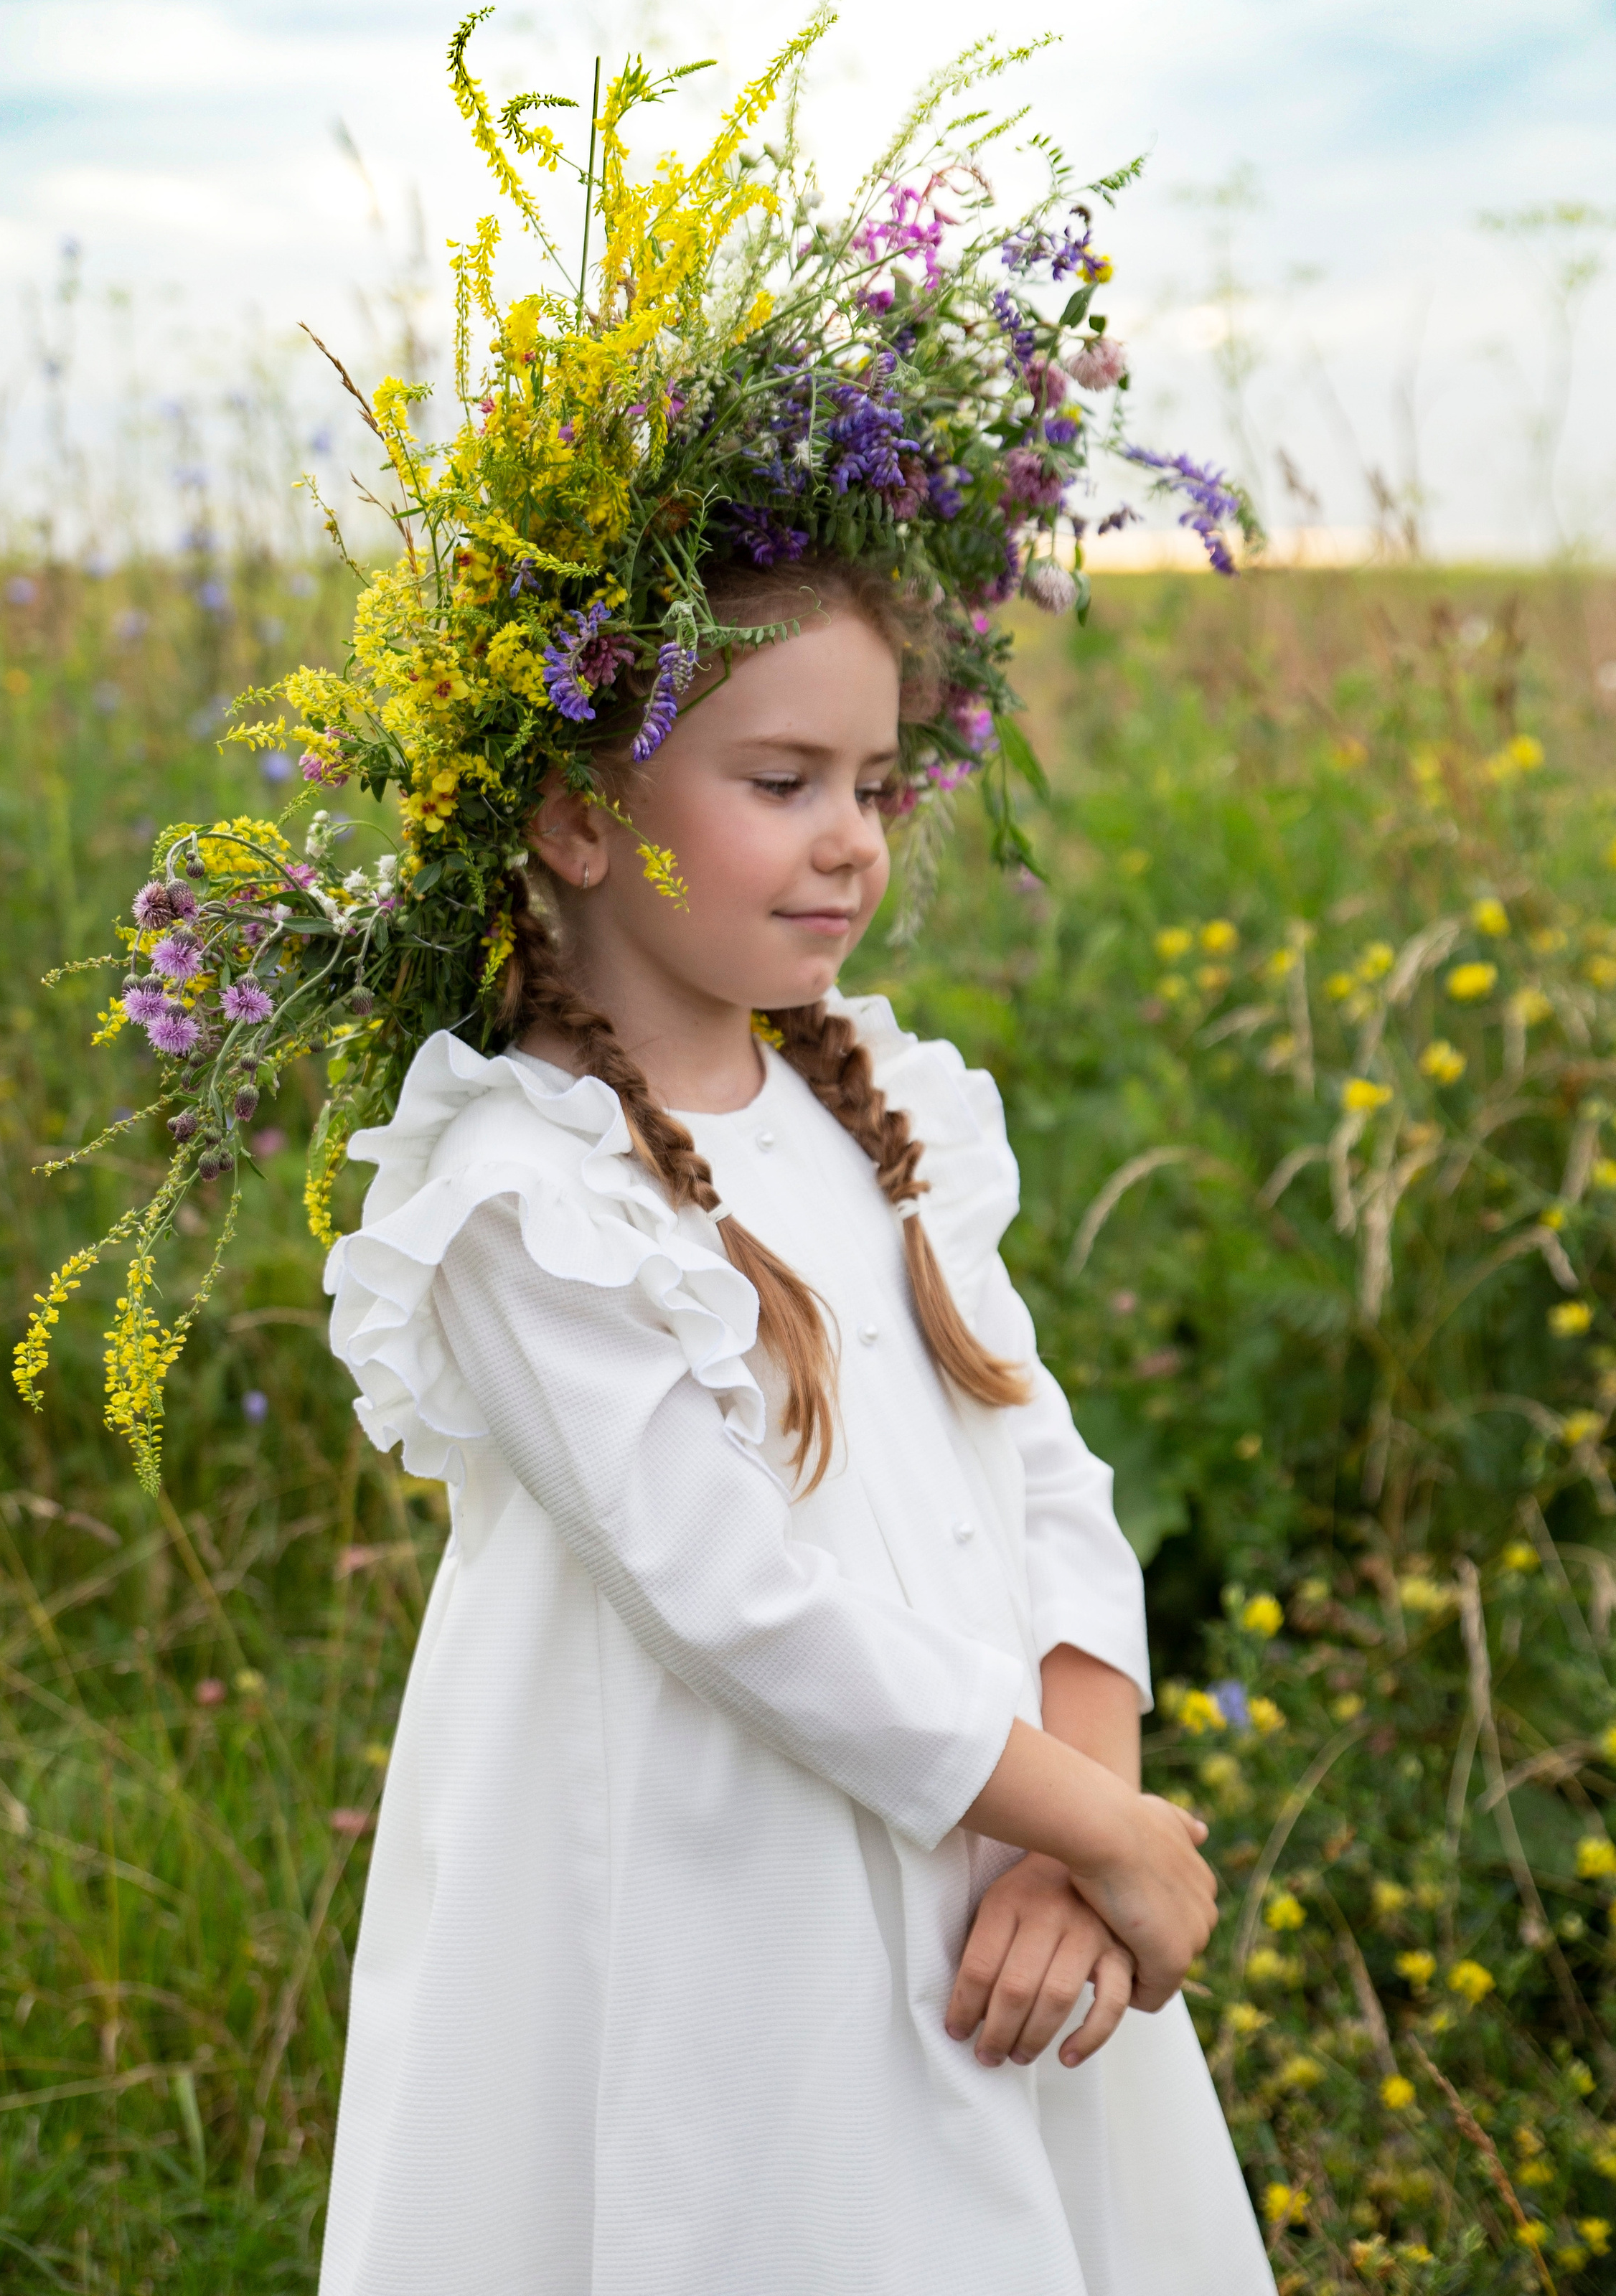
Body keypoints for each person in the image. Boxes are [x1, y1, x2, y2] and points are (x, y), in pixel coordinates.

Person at [319, 550, 1274, 2294]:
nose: (850, 836)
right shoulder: (524, 1198)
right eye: (780, 784)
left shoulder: (887, 1101)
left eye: (871, 782)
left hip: (999, 1858)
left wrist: (1083, 1834)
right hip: (728, 1901)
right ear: (575, 819)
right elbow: (736, 1603)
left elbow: (1044, 1469)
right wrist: (1104, 1827)